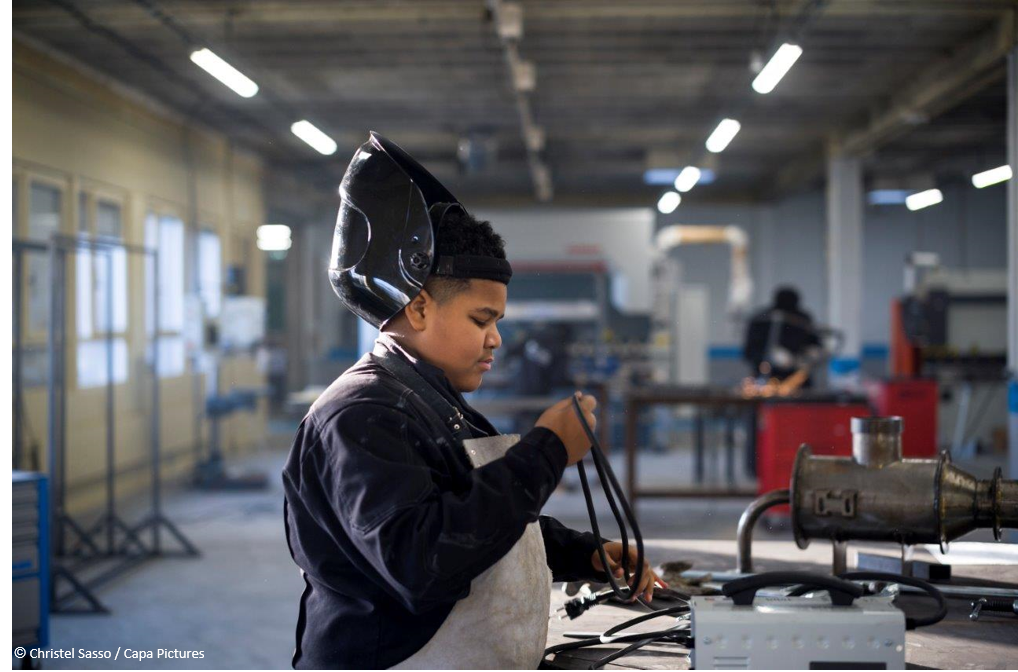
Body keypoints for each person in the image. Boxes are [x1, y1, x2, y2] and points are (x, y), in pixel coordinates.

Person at [281, 133, 664, 670]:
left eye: (497, 323)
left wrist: (582, 553)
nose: (495, 339)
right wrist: (547, 451)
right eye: (480, 320)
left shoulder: (431, 398)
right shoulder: (362, 414)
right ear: (418, 308)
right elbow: (422, 562)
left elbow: (471, 518)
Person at [742, 286, 823, 388]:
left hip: (797, 376)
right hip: (767, 376)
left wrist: (810, 354)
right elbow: (750, 350)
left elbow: (814, 342)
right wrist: (770, 356)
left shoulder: (802, 319)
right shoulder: (763, 319)